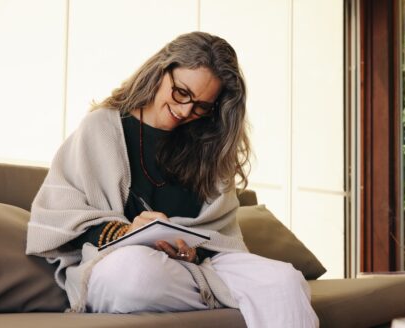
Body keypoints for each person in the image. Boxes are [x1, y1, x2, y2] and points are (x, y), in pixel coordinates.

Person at [25, 31, 319, 328]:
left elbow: (219, 237)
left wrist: (193, 250)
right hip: (122, 266)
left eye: (202, 106)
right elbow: (60, 213)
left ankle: (222, 296)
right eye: (181, 92)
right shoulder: (101, 128)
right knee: (133, 274)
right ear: (161, 71)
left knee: (285, 281)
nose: (185, 111)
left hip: (197, 270)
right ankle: (231, 299)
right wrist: (123, 231)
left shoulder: (209, 144)